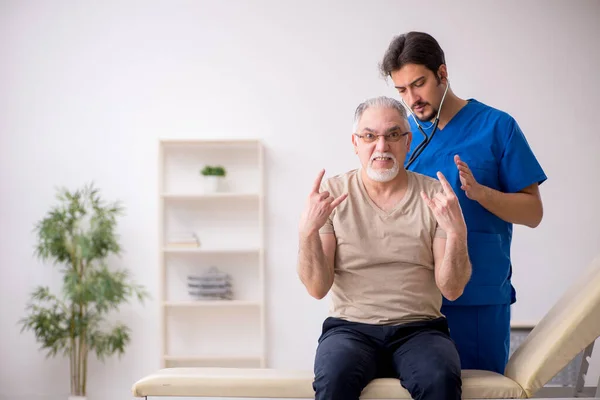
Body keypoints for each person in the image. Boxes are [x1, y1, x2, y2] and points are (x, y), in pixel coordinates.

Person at [378, 31, 548, 374]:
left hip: (478, 299)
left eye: (419, 83)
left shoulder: (497, 127)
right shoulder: (401, 138)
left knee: (481, 391)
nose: (412, 99)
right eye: (401, 90)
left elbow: (533, 212)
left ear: (442, 73)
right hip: (415, 304)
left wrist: (482, 194)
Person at [297, 96, 472, 400]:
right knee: (333, 379)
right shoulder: (333, 195)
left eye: (393, 135)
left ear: (407, 142)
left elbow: (452, 290)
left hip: (420, 330)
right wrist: (307, 230)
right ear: (355, 143)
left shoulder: (434, 195)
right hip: (349, 329)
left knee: (440, 379)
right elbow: (317, 287)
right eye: (369, 136)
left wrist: (457, 233)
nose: (382, 146)